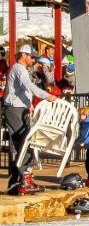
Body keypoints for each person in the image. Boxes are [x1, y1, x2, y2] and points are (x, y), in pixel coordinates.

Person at [5, 44, 56, 194]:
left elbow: (22, 91)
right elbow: (28, 86)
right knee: (25, 144)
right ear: (23, 55)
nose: (33, 59)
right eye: (31, 57)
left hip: (19, 109)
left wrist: (29, 104)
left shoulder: (21, 69)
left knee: (24, 145)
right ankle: (22, 181)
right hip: (15, 110)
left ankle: (16, 184)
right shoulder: (19, 69)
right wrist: (48, 96)